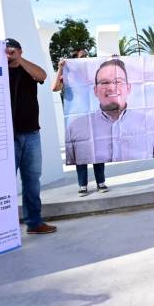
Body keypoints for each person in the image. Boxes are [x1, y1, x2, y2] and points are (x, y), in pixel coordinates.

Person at [66, 58, 154, 165]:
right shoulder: (75, 127)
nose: (111, 87)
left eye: (118, 81)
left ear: (128, 88)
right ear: (95, 90)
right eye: (104, 82)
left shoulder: (151, 124)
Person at [6, 38, 56, 234]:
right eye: (6, 51)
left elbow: (42, 75)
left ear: (20, 51)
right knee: (5, 182)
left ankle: (34, 222)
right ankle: (5, 227)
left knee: (32, 180)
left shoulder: (28, 71)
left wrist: (20, 60)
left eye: (12, 50)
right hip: (7, 137)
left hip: (31, 134)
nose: (8, 54)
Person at [53, 50, 109, 197]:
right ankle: (82, 185)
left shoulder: (93, 74)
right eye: (82, 57)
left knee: (98, 150)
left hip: (95, 117)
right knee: (80, 152)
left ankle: (101, 182)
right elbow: (55, 88)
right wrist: (60, 68)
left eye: (86, 56)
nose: (85, 58)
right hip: (76, 119)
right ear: (75, 60)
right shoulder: (68, 75)